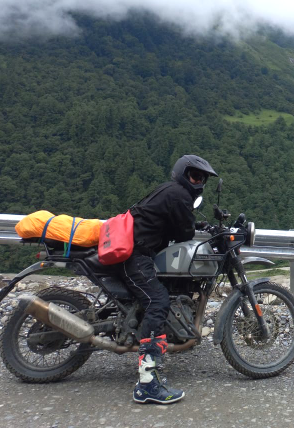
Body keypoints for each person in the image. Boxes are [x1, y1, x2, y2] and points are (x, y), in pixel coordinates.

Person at [121, 154, 218, 404]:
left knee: (162, 292)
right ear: (183, 174)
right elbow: (184, 231)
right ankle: (146, 384)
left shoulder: (171, 191)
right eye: (195, 176)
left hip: (138, 250)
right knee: (158, 301)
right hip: (136, 255)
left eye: (203, 179)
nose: (199, 182)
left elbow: (177, 228)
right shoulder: (179, 195)